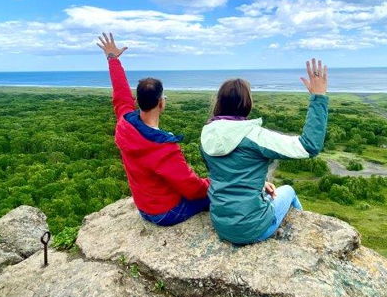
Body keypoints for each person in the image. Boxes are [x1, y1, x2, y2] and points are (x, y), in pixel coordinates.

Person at [200, 59, 328, 244]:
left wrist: (259, 185)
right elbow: (309, 146)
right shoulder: (255, 136)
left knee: (270, 192)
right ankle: (301, 239)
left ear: (219, 102)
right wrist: (319, 97)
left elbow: (226, 173)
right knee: (288, 191)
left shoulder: (207, 134)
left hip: (221, 224)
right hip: (253, 229)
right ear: (247, 104)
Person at [97, 32, 210, 226]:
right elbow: (193, 189)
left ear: (137, 101)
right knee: (220, 192)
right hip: (167, 213)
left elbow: (120, 93)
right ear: (161, 103)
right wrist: (211, 183)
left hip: (145, 208)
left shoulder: (125, 123)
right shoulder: (163, 148)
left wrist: (112, 59)